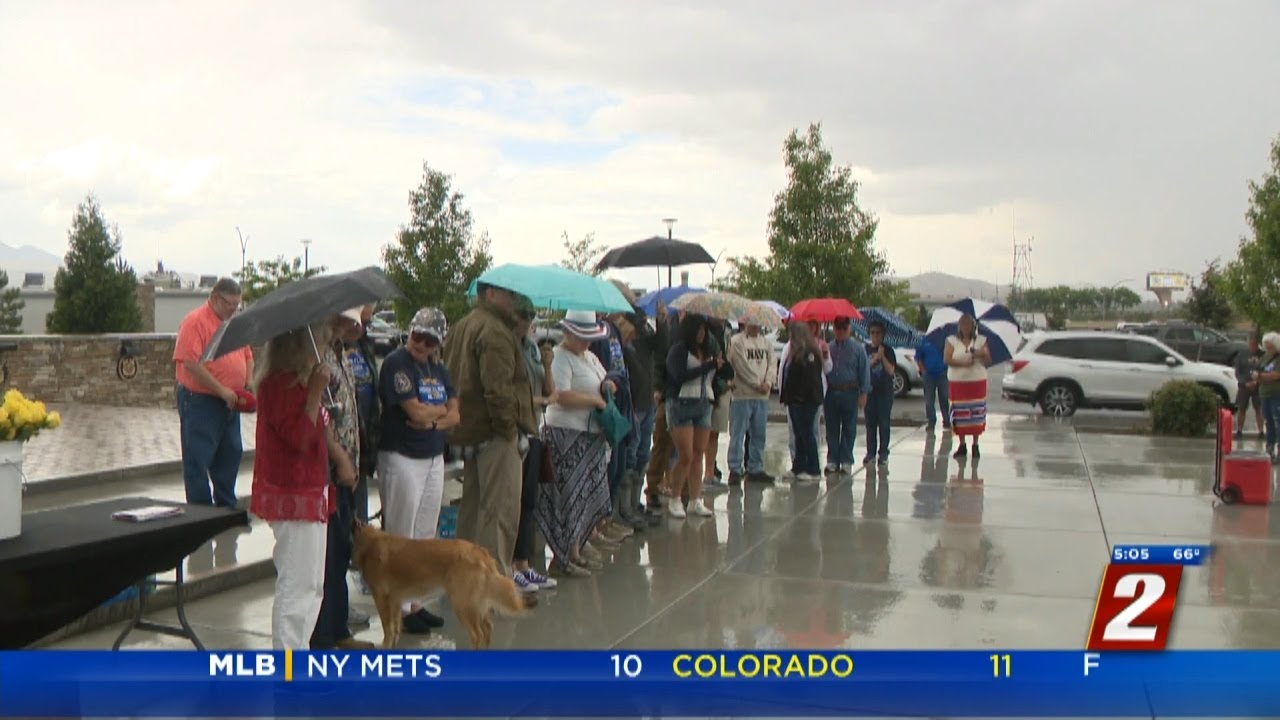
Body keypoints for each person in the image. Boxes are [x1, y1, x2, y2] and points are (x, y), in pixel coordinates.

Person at [443, 283, 537, 579]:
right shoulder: (495, 331)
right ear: (491, 294)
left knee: (471, 511)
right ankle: (492, 584)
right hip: (495, 434)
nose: (513, 300)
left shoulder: (462, 326)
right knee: (500, 513)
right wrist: (509, 430)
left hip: (470, 430)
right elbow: (498, 390)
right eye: (508, 294)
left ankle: (466, 578)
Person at [249, 323, 333, 650]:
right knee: (296, 585)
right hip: (293, 492)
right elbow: (299, 437)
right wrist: (314, 393)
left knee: (312, 585)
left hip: (312, 488)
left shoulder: (300, 383)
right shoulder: (277, 385)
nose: (322, 350)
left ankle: (299, 654)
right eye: (319, 344)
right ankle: (287, 664)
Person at [379, 307, 460, 633]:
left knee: (425, 533)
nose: (421, 344)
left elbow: (454, 414)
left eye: (429, 340)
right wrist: (434, 416)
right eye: (417, 336)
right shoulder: (397, 363)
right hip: (402, 455)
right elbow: (412, 409)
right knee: (400, 534)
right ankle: (395, 607)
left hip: (431, 455)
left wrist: (432, 419)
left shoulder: (438, 368)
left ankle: (414, 603)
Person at [310, 309, 374, 651]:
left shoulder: (342, 355)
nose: (357, 328)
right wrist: (341, 461)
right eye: (351, 322)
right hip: (331, 471)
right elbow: (322, 420)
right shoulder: (317, 359)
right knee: (330, 555)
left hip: (350, 466)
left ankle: (338, 628)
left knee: (342, 550)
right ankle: (322, 636)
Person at [537, 310, 614, 576]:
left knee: (584, 498)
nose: (587, 342)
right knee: (568, 498)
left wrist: (608, 387)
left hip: (589, 435)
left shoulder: (589, 357)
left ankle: (577, 549)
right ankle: (565, 555)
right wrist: (593, 400)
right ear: (568, 333)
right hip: (565, 434)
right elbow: (560, 395)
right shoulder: (560, 357)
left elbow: (606, 378)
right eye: (582, 337)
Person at [173, 278, 254, 507]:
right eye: (231, 304)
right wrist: (221, 389)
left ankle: (226, 506)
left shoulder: (231, 323)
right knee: (198, 457)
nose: (234, 309)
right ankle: (201, 510)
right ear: (216, 298)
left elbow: (247, 355)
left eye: (238, 305)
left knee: (230, 453)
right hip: (200, 401)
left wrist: (248, 381)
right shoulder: (195, 322)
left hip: (230, 401)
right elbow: (189, 362)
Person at [512, 301, 559, 592]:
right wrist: (542, 402)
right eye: (525, 316)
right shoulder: (511, 351)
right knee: (515, 502)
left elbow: (550, 391)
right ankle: (513, 565)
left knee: (530, 501)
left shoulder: (531, 350)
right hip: (516, 432)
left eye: (532, 317)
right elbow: (521, 399)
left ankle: (525, 564)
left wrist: (548, 364)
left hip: (535, 430)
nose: (530, 323)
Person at [664, 313, 720, 518]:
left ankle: (695, 500)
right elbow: (678, 376)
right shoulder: (678, 350)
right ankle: (676, 497)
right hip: (681, 404)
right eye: (698, 330)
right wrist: (706, 366)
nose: (701, 334)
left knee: (698, 454)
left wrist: (718, 366)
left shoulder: (706, 350)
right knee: (685, 455)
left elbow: (715, 375)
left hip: (704, 402)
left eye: (704, 330)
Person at [590, 310, 636, 540]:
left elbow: (621, 364)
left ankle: (608, 519)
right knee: (606, 470)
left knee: (618, 467)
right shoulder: (594, 333)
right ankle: (597, 525)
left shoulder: (612, 329)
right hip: (604, 403)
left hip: (620, 401)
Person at [625, 307, 663, 525]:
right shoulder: (626, 344)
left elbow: (660, 345)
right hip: (635, 403)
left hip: (647, 401)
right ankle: (626, 508)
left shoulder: (644, 335)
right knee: (631, 454)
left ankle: (635, 503)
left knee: (642, 455)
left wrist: (662, 321)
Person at [726, 322, 776, 484]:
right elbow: (740, 365)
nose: (755, 325)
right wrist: (756, 383)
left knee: (759, 434)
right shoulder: (737, 341)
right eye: (752, 322)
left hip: (762, 396)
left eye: (758, 322)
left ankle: (755, 467)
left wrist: (768, 383)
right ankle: (734, 468)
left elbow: (772, 364)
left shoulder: (766, 343)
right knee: (738, 433)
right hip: (742, 394)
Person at [823, 316, 869, 474]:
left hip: (850, 392)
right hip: (831, 392)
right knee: (832, 428)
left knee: (849, 428)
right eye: (838, 328)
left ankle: (846, 460)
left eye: (844, 328)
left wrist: (863, 393)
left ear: (849, 329)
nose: (841, 331)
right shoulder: (828, 348)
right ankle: (832, 460)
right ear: (834, 329)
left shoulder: (858, 349)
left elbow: (864, 371)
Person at [780, 321, 825, 481]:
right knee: (798, 434)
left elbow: (809, 381)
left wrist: (799, 399)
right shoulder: (794, 353)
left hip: (806, 401)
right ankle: (798, 466)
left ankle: (813, 469)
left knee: (807, 433)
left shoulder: (809, 354)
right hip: (795, 401)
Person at [349, 305, 382, 524]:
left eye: (368, 323)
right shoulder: (332, 348)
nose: (363, 327)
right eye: (360, 321)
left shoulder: (365, 345)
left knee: (360, 508)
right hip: (344, 438)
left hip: (364, 435)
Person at [945, 314, 992, 459]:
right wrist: (963, 364)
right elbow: (947, 359)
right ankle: (962, 444)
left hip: (976, 382)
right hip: (958, 383)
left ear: (973, 325)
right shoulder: (951, 340)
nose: (966, 327)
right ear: (959, 325)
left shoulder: (981, 340)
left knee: (976, 414)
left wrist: (980, 354)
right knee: (960, 415)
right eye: (963, 323)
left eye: (968, 324)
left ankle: (975, 445)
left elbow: (989, 361)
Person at [644, 303, 675, 513]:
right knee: (661, 443)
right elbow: (659, 360)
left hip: (681, 393)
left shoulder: (681, 330)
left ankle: (675, 485)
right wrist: (657, 387)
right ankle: (653, 486)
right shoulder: (659, 332)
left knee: (675, 447)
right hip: (666, 394)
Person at [863, 321, 898, 466]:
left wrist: (882, 357)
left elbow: (891, 371)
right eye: (872, 332)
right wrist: (875, 358)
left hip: (885, 392)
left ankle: (883, 453)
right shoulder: (865, 349)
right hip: (869, 392)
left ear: (883, 335)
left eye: (878, 333)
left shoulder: (888, 350)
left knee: (884, 423)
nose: (875, 336)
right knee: (870, 424)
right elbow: (863, 369)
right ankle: (870, 452)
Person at [702, 319, 733, 487]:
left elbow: (726, 361)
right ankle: (706, 472)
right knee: (705, 433)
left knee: (715, 432)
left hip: (722, 389)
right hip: (710, 388)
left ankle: (710, 471)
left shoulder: (726, 331)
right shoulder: (707, 333)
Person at [915, 337, 951, 433]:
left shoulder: (944, 340)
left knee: (944, 398)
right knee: (929, 400)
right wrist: (923, 370)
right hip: (929, 375)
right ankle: (931, 421)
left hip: (942, 374)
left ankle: (947, 421)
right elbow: (918, 357)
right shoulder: (923, 340)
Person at [1234, 333, 1264, 439]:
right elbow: (1237, 372)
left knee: (1259, 408)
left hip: (1258, 386)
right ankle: (1239, 430)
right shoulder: (1241, 354)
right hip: (1244, 385)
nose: (1253, 346)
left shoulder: (1262, 355)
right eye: (1251, 343)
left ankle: (1261, 431)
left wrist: (1257, 382)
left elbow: (1264, 369)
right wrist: (1245, 383)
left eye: (1255, 344)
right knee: (1242, 408)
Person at [1256, 333, 1280, 462]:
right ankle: (1269, 450)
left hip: (1277, 394)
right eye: (1266, 346)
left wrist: (1261, 376)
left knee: (1278, 423)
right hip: (1264, 394)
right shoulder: (1265, 358)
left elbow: (1276, 375)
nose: (1267, 349)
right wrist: (1257, 376)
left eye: (1270, 346)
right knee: (1269, 423)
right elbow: (1257, 371)